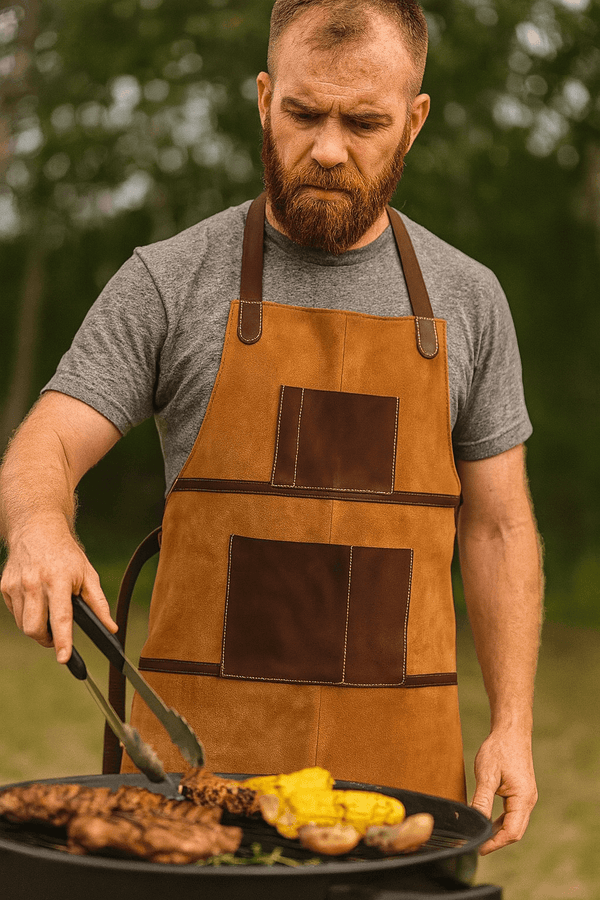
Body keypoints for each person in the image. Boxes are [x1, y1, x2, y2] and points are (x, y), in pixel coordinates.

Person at [0, 0, 542, 855]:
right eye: (303, 113)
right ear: (263, 98)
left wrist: (512, 724)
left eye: (363, 121)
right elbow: (51, 438)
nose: (328, 149)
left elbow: (500, 522)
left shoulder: (468, 300)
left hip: (403, 795)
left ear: (415, 119)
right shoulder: (170, 280)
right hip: (196, 792)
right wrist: (37, 523)